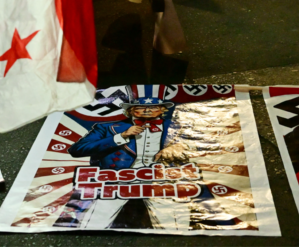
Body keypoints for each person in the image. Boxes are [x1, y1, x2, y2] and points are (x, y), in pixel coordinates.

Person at [66, 97, 201, 230]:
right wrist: (121, 136)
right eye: (141, 107)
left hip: (162, 179)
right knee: (93, 224)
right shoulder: (107, 128)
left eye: (153, 107)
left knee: (174, 226)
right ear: (130, 111)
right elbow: (77, 150)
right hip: (118, 179)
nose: (147, 110)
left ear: (162, 109)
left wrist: (181, 147)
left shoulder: (178, 127)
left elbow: (205, 145)